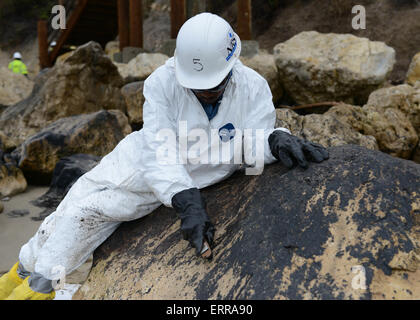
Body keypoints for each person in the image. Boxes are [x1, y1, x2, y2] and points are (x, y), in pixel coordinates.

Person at [0, 13, 328, 300]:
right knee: (62, 218)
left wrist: (274, 140)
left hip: (168, 182)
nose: (205, 92)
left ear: (230, 64)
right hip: (132, 164)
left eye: (212, 86)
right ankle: (16, 280)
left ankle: (36, 287)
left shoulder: (253, 88)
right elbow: (160, 149)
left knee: (82, 217)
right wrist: (186, 200)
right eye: (198, 86)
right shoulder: (162, 83)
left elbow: (247, 146)